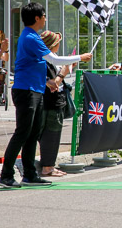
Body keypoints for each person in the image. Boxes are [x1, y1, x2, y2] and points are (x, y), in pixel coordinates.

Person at [0, 3, 92, 189]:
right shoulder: (31, 37)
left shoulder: (31, 36)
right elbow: (55, 60)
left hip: (35, 89)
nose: (45, 18)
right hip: (26, 90)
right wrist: (80, 57)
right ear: (36, 18)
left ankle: (30, 174)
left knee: (33, 133)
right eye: (43, 15)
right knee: (23, 133)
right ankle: (6, 175)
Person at [37, 30, 73, 178]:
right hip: (50, 102)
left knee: (50, 135)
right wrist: (64, 71)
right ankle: (47, 167)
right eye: (57, 42)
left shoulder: (52, 59)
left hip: (52, 102)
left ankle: (49, 165)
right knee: (51, 135)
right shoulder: (44, 60)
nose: (59, 44)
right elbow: (53, 84)